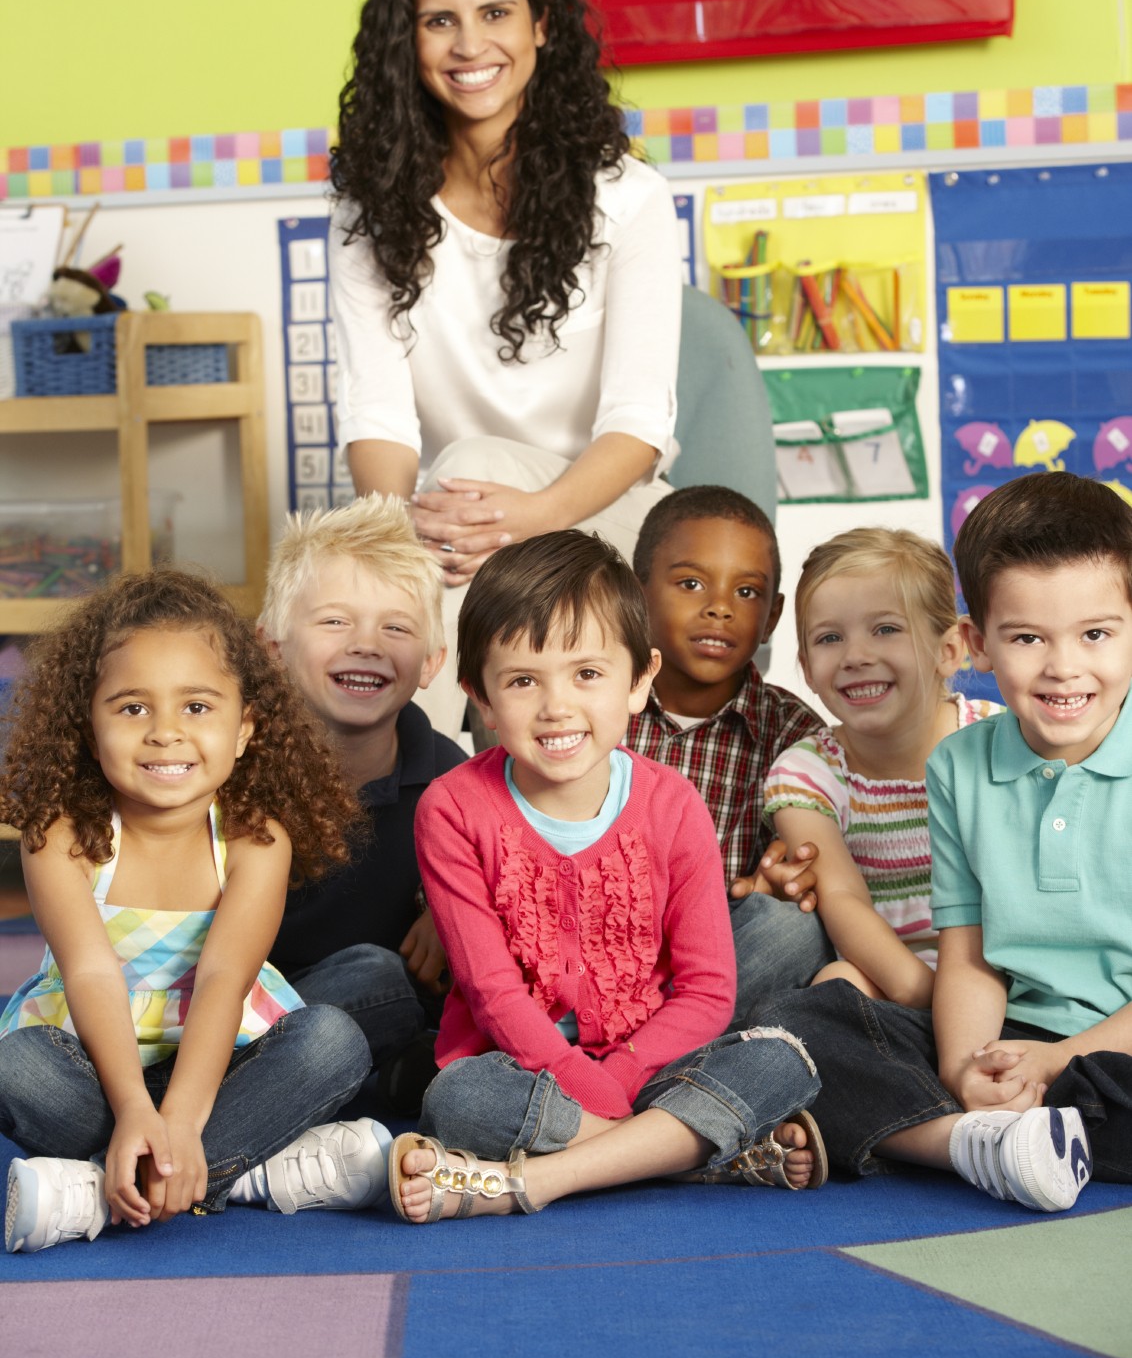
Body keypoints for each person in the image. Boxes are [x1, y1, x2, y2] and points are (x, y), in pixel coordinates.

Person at [387, 530, 825, 1224]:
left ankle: (528, 1183)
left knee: (783, 1061)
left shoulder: (673, 803)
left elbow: (709, 990)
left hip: (652, 1063)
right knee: (458, 1100)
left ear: (638, 680)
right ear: (481, 698)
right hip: (519, 1071)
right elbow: (494, 995)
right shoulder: (452, 807)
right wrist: (589, 1087)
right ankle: (687, 1154)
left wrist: (616, 1079)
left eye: (587, 674)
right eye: (523, 680)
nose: (557, 706)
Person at [329, 0, 682, 737]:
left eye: (495, 13)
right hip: (452, 525)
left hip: (607, 520)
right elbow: (376, 415)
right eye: (438, 21)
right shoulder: (368, 208)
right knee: (341, 580)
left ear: (543, 26)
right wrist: (405, 527)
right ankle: (371, 803)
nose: (469, 44)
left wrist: (527, 514)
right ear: (404, 45)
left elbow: (638, 428)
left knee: (471, 464)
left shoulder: (629, 199)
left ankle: (426, 794)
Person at [764, 473, 1132, 1212]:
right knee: (806, 1027)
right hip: (1012, 1030)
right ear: (981, 643)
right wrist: (969, 1064)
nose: (1063, 667)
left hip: (1114, 1046)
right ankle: (974, 1138)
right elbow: (967, 954)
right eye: (1027, 638)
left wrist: (1059, 1058)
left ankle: (1003, 1127)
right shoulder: (960, 765)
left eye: (1095, 634)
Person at [0, 570, 388, 1255]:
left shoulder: (254, 839)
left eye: (198, 708)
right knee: (15, 1068)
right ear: (91, 732)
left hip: (221, 1061)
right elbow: (91, 973)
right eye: (131, 709)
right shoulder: (59, 836)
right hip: (94, 1063)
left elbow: (222, 980)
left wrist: (178, 1117)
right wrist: (132, 1110)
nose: (165, 734)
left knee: (333, 1041)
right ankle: (251, 1168)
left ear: (244, 730)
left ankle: (99, 1189)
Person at [260, 495, 465, 1110]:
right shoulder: (227, 765)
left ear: (430, 663)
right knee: (379, 985)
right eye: (334, 621)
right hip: (231, 1007)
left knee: (386, 981)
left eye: (396, 627)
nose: (367, 645)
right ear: (271, 649)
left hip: (363, 1006)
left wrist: (453, 903)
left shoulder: (454, 784)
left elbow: (519, 869)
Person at [762, 528, 996, 1007]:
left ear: (948, 651)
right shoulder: (808, 772)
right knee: (837, 984)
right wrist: (933, 1001)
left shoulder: (1000, 740)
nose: (856, 657)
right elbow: (843, 900)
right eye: (830, 638)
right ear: (806, 667)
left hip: (1003, 976)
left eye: (886, 629)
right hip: (896, 983)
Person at [626, 486, 832, 1020]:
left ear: (772, 616)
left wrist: (784, 885)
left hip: (712, 961)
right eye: (691, 583)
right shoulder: (592, 700)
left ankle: (650, 1047)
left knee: (793, 932)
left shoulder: (796, 735)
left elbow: (806, 871)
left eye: (746, 592)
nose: (719, 607)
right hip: (588, 941)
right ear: (635, 591)